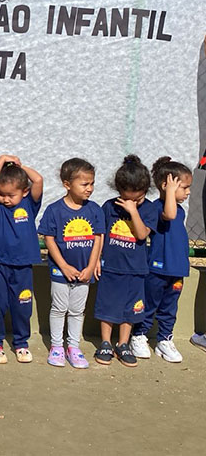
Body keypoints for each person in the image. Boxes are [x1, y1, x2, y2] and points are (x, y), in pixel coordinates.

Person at [38, 158, 104, 369]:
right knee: (59, 308)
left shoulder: (95, 210)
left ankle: (73, 347)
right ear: (67, 184)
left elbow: (98, 238)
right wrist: (64, 266)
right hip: (60, 272)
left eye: (92, 183)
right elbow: (49, 239)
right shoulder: (54, 210)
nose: (90, 189)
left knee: (77, 310)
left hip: (84, 273)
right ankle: (56, 346)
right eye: (84, 184)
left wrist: (91, 266)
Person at [93, 155, 157, 367]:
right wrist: (96, 261)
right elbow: (100, 235)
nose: (131, 202)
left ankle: (123, 343)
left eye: (136, 198)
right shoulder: (109, 206)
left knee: (131, 309)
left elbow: (141, 234)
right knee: (107, 307)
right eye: (126, 198)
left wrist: (133, 211)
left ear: (145, 191)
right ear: (118, 190)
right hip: (110, 267)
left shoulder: (148, 209)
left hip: (136, 269)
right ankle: (105, 343)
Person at [130, 157, 192, 363]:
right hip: (157, 269)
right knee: (149, 304)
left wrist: (173, 192)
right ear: (167, 186)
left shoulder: (180, 210)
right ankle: (138, 335)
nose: (188, 192)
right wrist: (171, 193)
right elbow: (169, 213)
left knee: (169, 308)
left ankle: (164, 340)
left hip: (177, 269)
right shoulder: (157, 208)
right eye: (184, 187)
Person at [0, 155, 43, 364]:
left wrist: (20, 167)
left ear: (24, 192)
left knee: (22, 306)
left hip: (23, 265)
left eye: (11, 195)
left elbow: (38, 180)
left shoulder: (29, 205)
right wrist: (3, 158)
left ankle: (21, 343)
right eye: (2, 194)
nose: (6, 199)